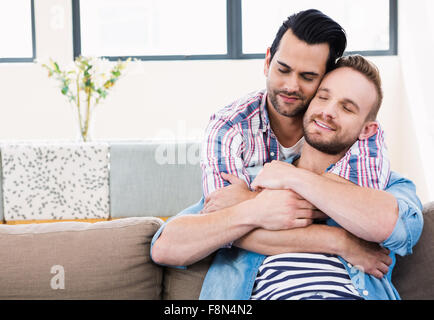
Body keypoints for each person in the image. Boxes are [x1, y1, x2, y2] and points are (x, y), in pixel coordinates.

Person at [151, 10, 423, 300]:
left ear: (367, 129)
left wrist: (292, 179)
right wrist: (336, 238)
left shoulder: (387, 184)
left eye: (347, 107)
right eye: (326, 97)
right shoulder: (245, 162)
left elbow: (397, 228)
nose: (293, 87)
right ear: (268, 61)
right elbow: (169, 245)